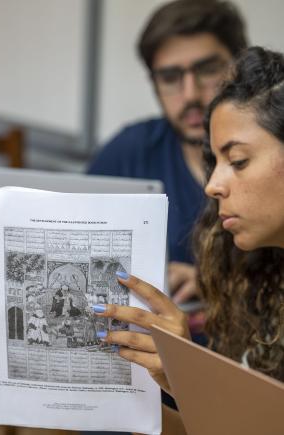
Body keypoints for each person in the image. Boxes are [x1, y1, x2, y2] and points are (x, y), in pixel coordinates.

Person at [94, 45, 284, 413]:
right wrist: (175, 378)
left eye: (238, 160)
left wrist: (190, 375)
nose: (212, 185)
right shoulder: (257, 280)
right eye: (214, 163)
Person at [87, 0, 248, 304]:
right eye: (170, 77)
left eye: (208, 70)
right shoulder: (132, 149)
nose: (191, 94)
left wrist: (217, 286)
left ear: (239, 68)